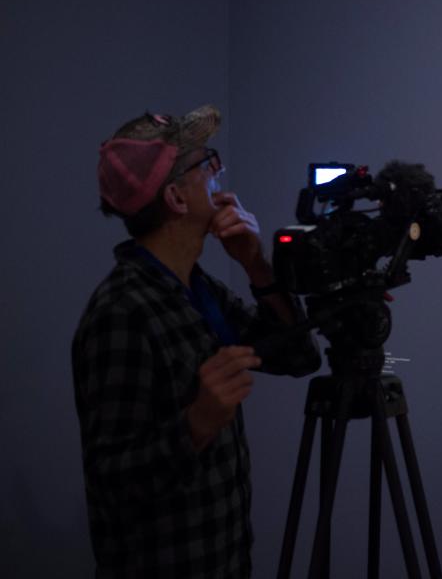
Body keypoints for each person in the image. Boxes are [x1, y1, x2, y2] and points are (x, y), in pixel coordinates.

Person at [72, 105, 321, 578]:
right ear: (176, 199)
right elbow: (111, 482)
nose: (217, 175)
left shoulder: (196, 289)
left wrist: (256, 265)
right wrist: (198, 423)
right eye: (205, 165)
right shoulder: (121, 313)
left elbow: (299, 356)